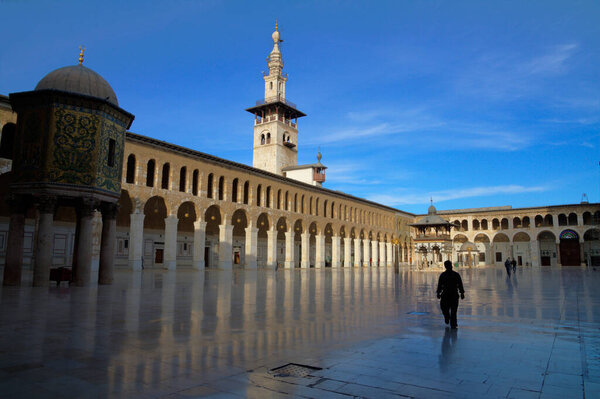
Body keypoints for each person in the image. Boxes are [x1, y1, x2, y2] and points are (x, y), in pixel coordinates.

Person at [436, 260, 465, 329]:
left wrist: (438, 293)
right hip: (451, 294)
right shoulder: (455, 274)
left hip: (448, 294)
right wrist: (462, 293)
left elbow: (460, 284)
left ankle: (451, 322)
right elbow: (460, 284)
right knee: (450, 309)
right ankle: (450, 320)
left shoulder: (444, 275)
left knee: (450, 309)